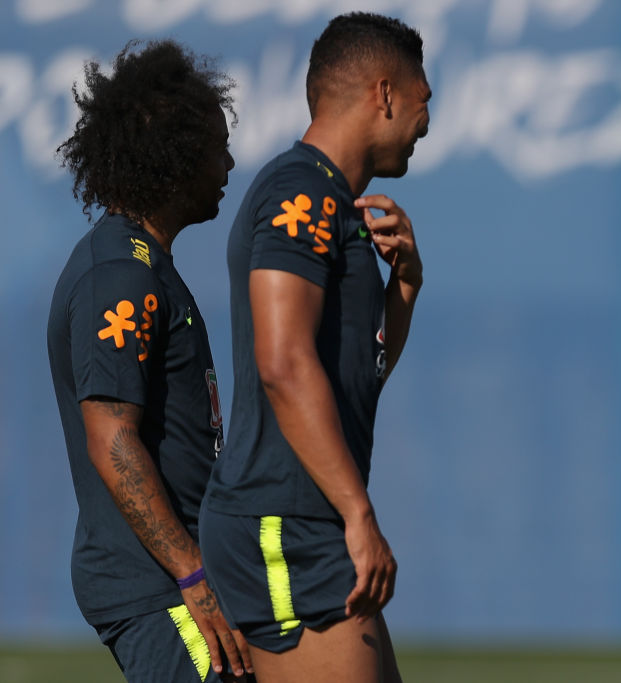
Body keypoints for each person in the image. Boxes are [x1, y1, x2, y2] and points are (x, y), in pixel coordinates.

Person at [198, 11, 428, 682]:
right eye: (423, 99)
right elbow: (282, 363)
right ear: (384, 94)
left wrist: (405, 288)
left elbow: (354, 378)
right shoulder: (299, 190)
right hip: (285, 524)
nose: (426, 120)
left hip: (308, 523)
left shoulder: (334, 205)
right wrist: (359, 513)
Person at [47, 40, 253, 681]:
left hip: (179, 579)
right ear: (177, 155)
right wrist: (191, 572)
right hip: (159, 586)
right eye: (217, 145)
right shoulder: (120, 273)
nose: (229, 161)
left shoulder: (147, 265)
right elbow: (111, 435)